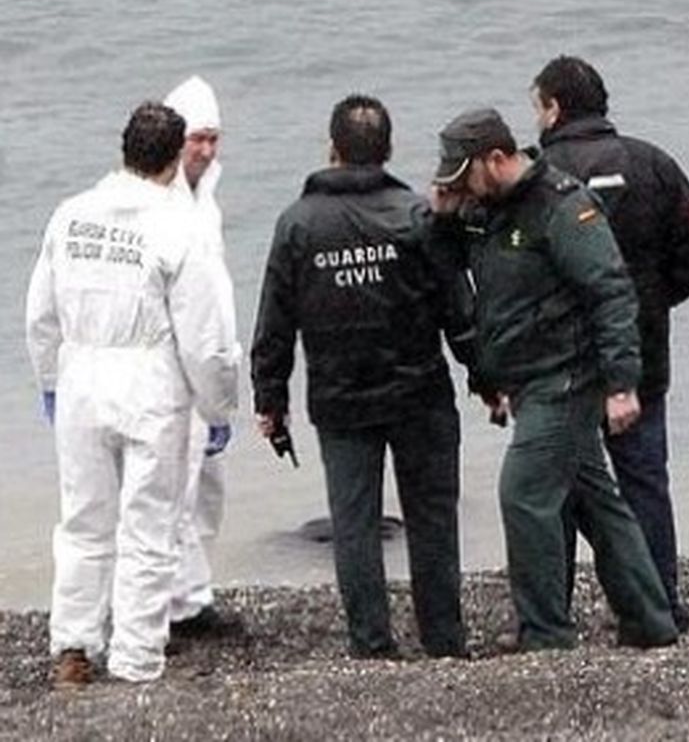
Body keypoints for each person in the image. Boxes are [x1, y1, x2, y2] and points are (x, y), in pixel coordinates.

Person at [431, 107, 678, 651]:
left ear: (496, 158)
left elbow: (612, 293)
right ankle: (651, 620)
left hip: (565, 379)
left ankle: (545, 633)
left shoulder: (563, 206)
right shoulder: (486, 211)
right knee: (596, 504)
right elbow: (448, 265)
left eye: (464, 177)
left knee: (523, 494)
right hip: (525, 379)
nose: (460, 189)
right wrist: (442, 217)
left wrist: (621, 384)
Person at [251, 94, 475, 659]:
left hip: (340, 399)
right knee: (432, 517)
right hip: (420, 393)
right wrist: (487, 374)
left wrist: (270, 398)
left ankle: (372, 644)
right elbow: (458, 306)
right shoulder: (416, 216)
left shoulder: (298, 224)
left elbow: (275, 321)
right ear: (388, 149)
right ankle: (444, 640)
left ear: (332, 149)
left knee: (354, 523)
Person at [26, 101, 239, 686]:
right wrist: (217, 405)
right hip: (150, 381)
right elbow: (205, 337)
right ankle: (136, 657)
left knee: (83, 520)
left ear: (123, 149)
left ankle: (73, 644)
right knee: (149, 525)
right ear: (173, 159)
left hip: (82, 375)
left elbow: (41, 315)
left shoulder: (71, 215)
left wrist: (50, 381)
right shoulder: (179, 226)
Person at [531, 56, 689, 629]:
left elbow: (512, 272)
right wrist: (653, 301)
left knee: (555, 487)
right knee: (644, 481)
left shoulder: (538, 175)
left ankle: (553, 613)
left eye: (537, 106)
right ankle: (659, 601)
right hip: (640, 353)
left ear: (554, 109)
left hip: (557, 360)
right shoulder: (651, 163)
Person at [162, 75, 241, 639]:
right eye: (198, 139)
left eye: (214, 138)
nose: (207, 151)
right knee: (172, 492)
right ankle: (170, 606)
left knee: (207, 488)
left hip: (210, 365)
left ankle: (193, 592)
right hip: (171, 370)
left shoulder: (206, 200)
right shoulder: (157, 204)